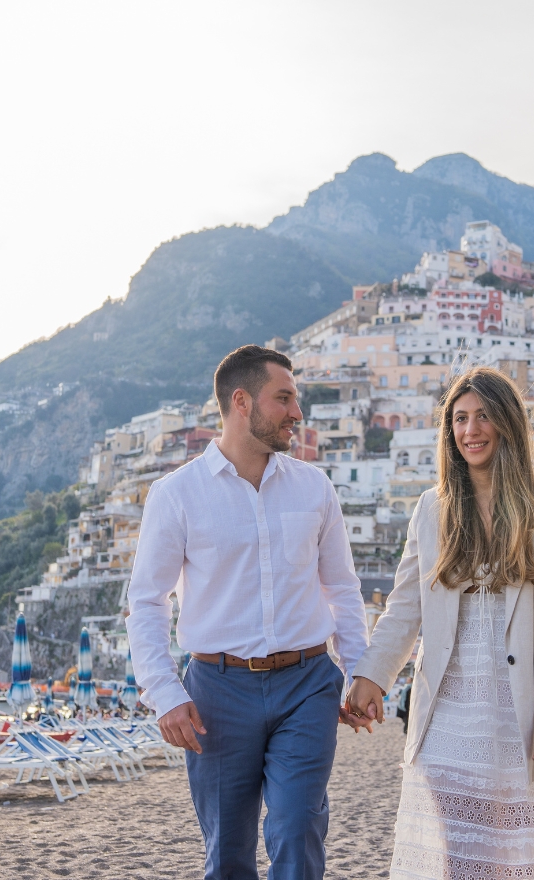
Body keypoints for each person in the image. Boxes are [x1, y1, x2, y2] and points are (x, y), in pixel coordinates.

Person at [127, 345, 369, 880]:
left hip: (308, 684)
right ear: (242, 401)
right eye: (284, 398)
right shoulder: (176, 495)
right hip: (216, 690)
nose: (297, 413)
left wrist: (360, 672)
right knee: (229, 854)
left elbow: (343, 590)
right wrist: (165, 695)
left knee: (296, 827)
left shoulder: (315, 488)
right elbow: (146, 602)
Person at [346, 366, 534, 880]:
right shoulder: (432, 510)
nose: (470, 430)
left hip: (522, 711)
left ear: (508, 423)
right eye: (459, 418)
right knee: (461, 861)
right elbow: (405, 605)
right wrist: (372, 675)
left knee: (521, 858)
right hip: (448, 714)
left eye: (483, 416)